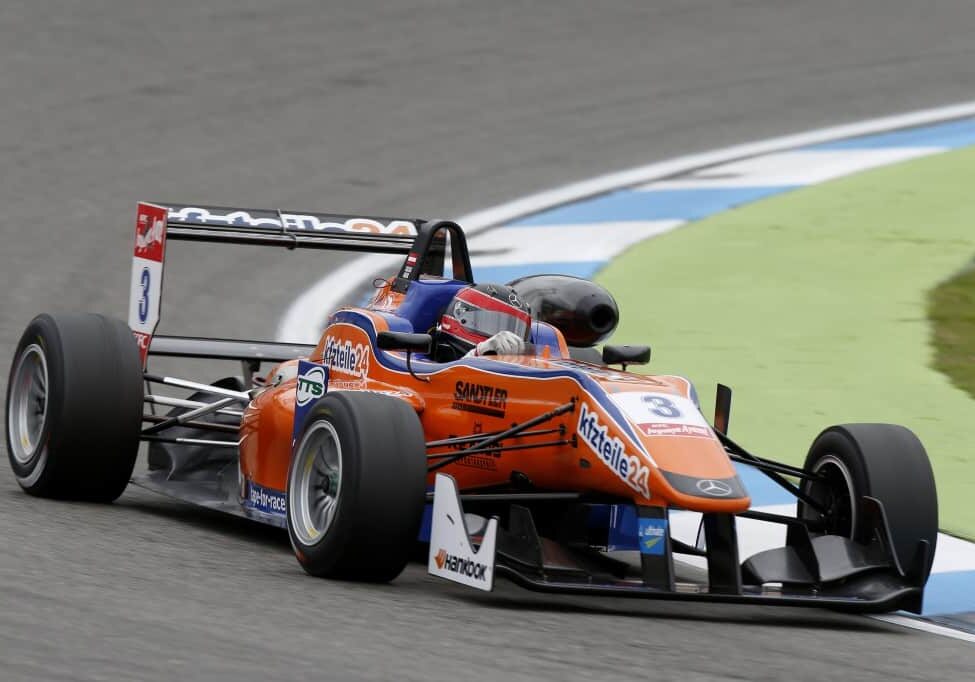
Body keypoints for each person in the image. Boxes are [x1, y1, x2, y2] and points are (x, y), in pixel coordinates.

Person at [434, 283, 532, 361]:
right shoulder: (424, 365)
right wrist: (478, 353)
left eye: (516, 330)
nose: (507, 339)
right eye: (491, 325)